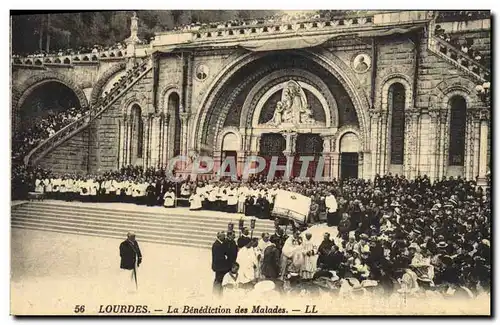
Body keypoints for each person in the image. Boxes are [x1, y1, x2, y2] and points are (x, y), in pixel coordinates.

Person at [212, 231, 230, 296]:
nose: (224, 237)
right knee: (218, 280)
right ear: (219, 237)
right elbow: (219, 257)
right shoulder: (216, 245)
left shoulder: (221, 243)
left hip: (220, 266)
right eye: (223, 236)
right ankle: (216, 293)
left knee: (219, 279)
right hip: (219, 266)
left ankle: (217, 293)